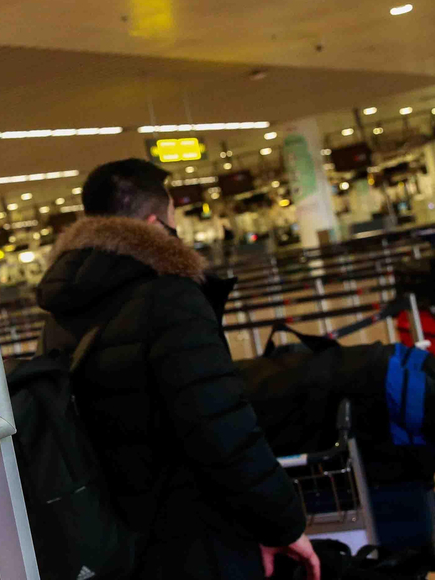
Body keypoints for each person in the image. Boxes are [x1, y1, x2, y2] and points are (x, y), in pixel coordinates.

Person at [36, 159, 318, 580]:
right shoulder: (170, 297)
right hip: (195, 538)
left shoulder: (58, 315)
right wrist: (282, 523)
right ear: (154, 222)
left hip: (113, 541)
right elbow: (222, 427)